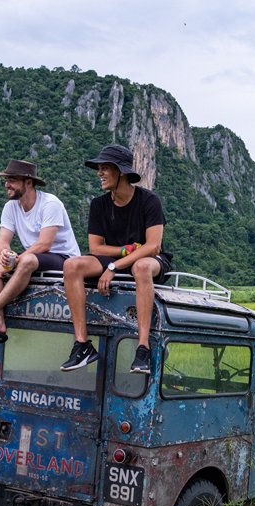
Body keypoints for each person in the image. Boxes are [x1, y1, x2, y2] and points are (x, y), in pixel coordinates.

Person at [60, 144, 172, 374]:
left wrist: (114, 266)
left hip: (149, 259)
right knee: (72, 265)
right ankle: (82, 344)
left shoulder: (149, 201)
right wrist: (124, 252)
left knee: (140, 267)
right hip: (117, 255)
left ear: (120, 171)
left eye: (105, 168)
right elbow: (95, 247)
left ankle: (142, 348)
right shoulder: (99, 204)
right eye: (98, 168)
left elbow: (153, 246)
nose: (99, 173)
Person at [0, 160, 80, 342]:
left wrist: (15, 262)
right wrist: (6, 255)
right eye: (6, 180)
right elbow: (2, 243)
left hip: (63, 259)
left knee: (28, 260)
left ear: (28, 182)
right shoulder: (10, 207)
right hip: (31, 257)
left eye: (12, 180)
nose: (7, 184)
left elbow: (45, 244)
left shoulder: (50, 204)